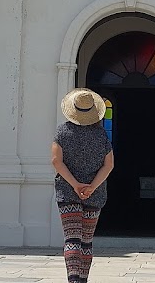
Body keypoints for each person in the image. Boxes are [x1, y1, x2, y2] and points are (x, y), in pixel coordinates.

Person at [52, 88, 115, 283]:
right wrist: (92, 187)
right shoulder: (101, 135)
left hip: (67, 192)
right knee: (86, 241)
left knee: (72, 238)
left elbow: (56, 161)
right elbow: (109, 164)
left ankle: (73, 279)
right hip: (94, 195)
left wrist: (75, 185)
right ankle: (83, 279)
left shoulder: (62, 132)